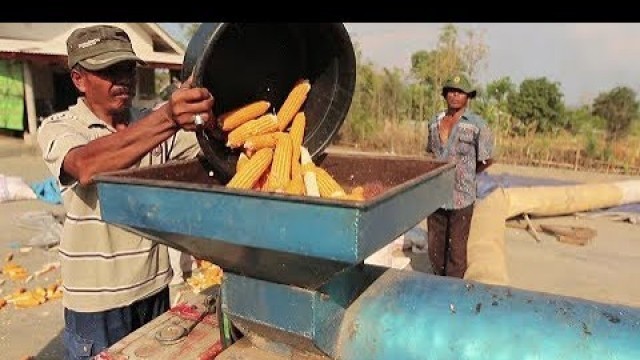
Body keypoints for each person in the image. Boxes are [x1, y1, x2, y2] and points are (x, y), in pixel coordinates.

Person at [36, 24, 214, 359]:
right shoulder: (60, 127)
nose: (123, 79)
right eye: (108, 70)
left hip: (154, 288)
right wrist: (168, 117)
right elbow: (86, 166)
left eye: (127, 68)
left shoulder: (149, 123)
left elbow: (208, 146)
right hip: (98, 303)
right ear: (78, 79)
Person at [425, 75, 494, 278]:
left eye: (460, 91)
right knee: (435, 249)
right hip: (435, 195)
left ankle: (453, 294)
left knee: (456, 251)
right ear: (445, 94)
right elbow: (431, 152)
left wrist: (467, 175)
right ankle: (437, 284)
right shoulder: (433, 123)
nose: (455, 95)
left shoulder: (477, 125)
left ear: (468, 96)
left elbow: (487, 159)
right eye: (451, 91)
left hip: (462, 196)